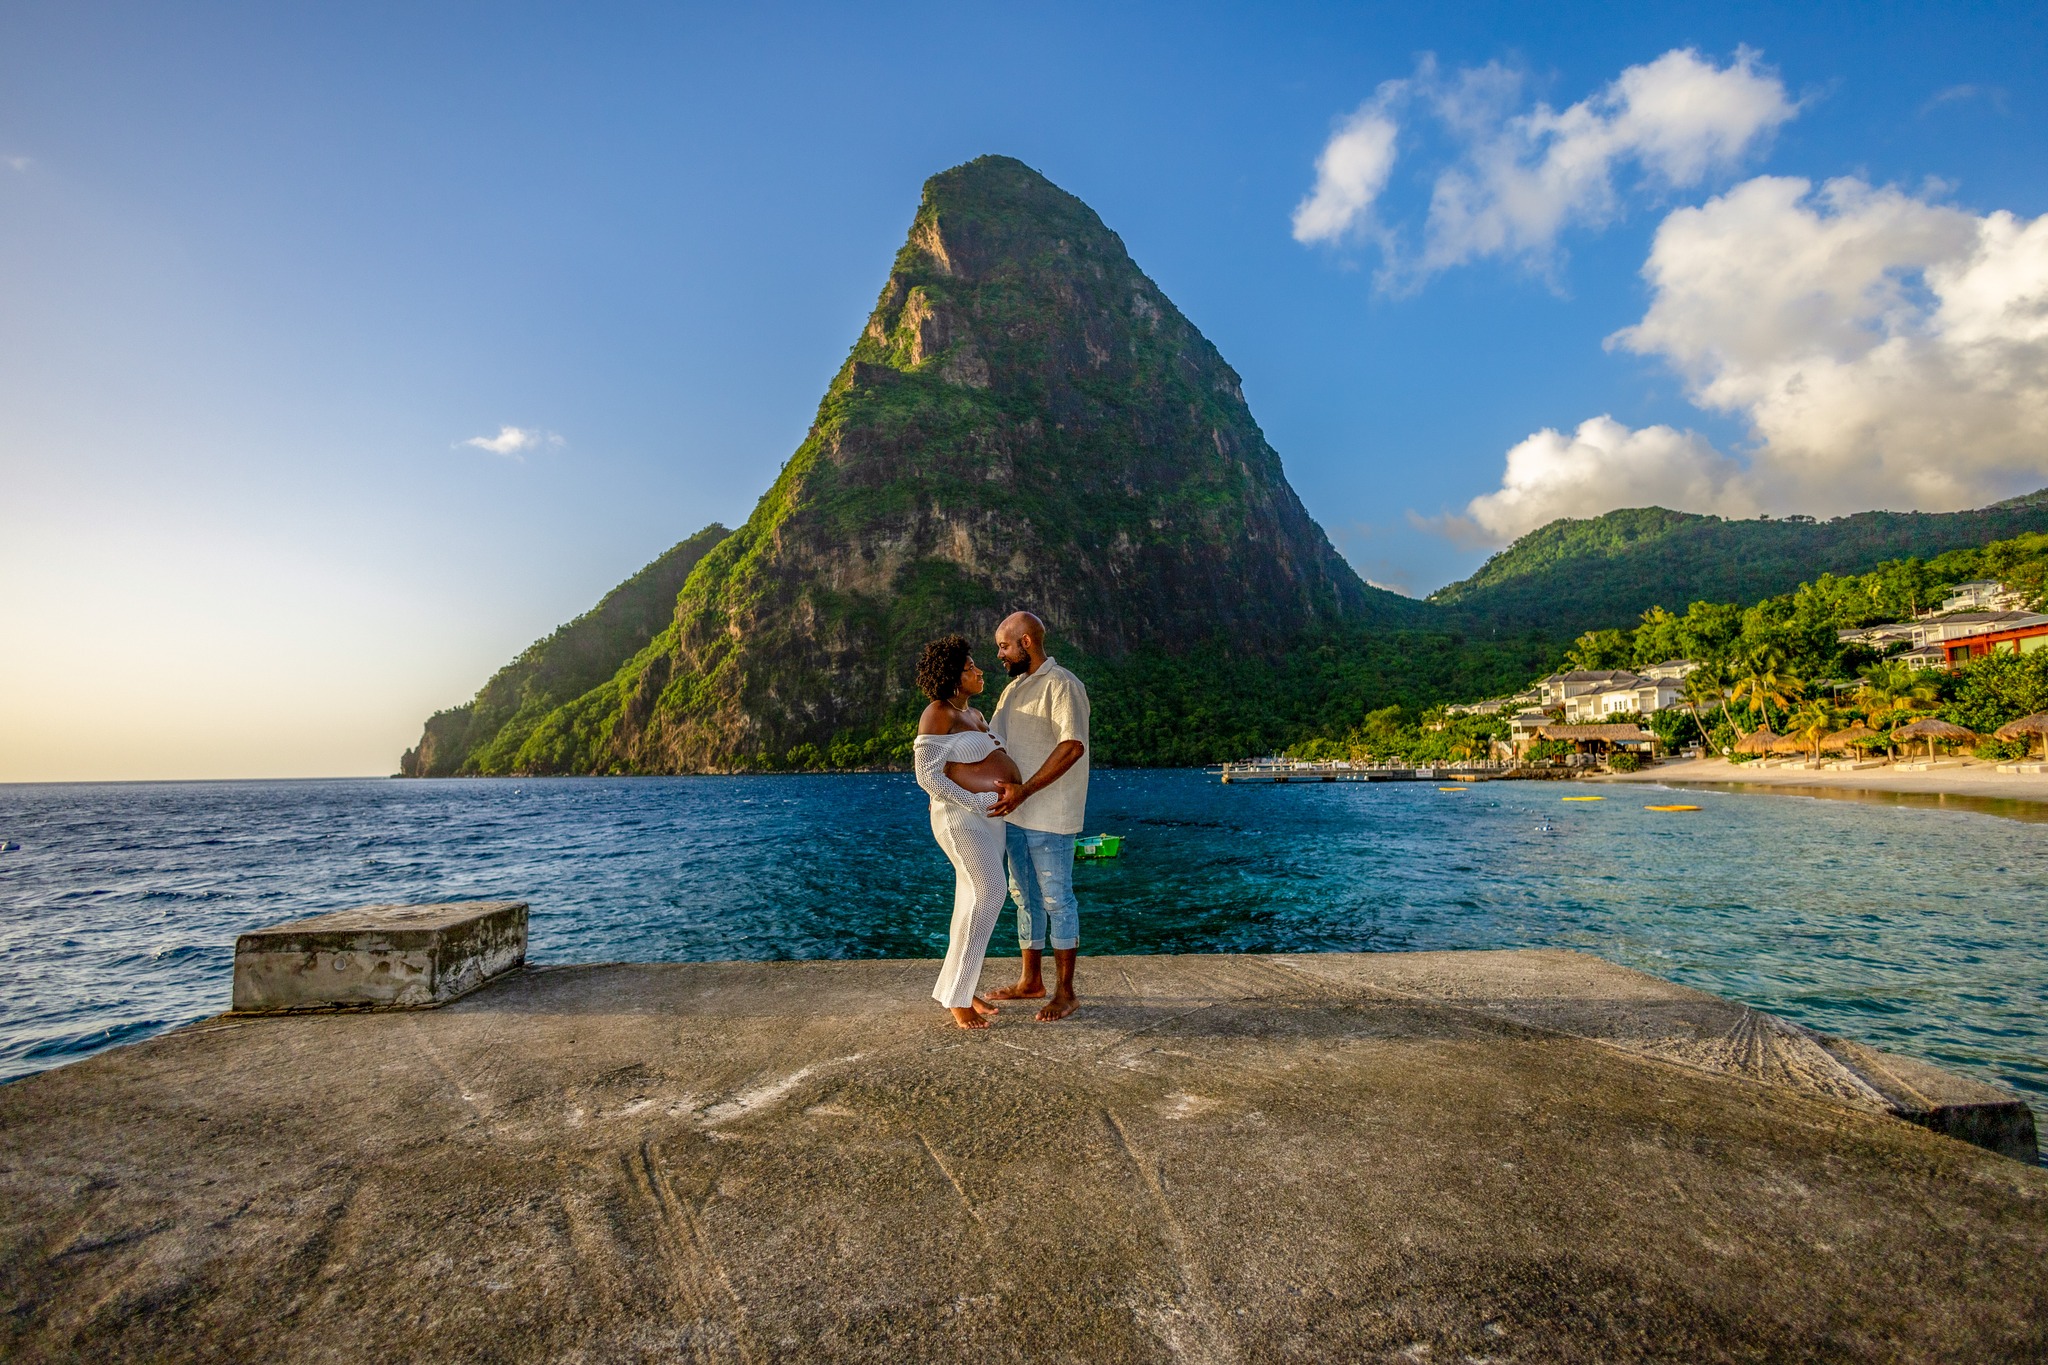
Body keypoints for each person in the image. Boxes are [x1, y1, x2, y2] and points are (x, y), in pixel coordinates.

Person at [912, 635, 1025, 1030]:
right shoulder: (937, 713)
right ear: (953, 678)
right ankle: (958, 997)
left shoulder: (975, 715)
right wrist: (978, 802)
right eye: (970, 668)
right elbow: (927, 776)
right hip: (960, 819)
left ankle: (959, 988)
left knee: (969, 901)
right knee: (990, 892)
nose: (979, 671)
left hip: (991, 820)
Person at [985, 611, 1089, 1022]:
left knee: (1057, 899)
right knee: (1023, 896)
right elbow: (991, 743)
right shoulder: (1012, 692)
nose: (1000, 655)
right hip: (1016, 813)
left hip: (1051, 815)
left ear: (1026, 642)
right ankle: (1032, 981)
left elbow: (1072, 746)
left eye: (1004, 646)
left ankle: (1066, 992)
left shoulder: (1063, 685)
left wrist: (1025, 789)